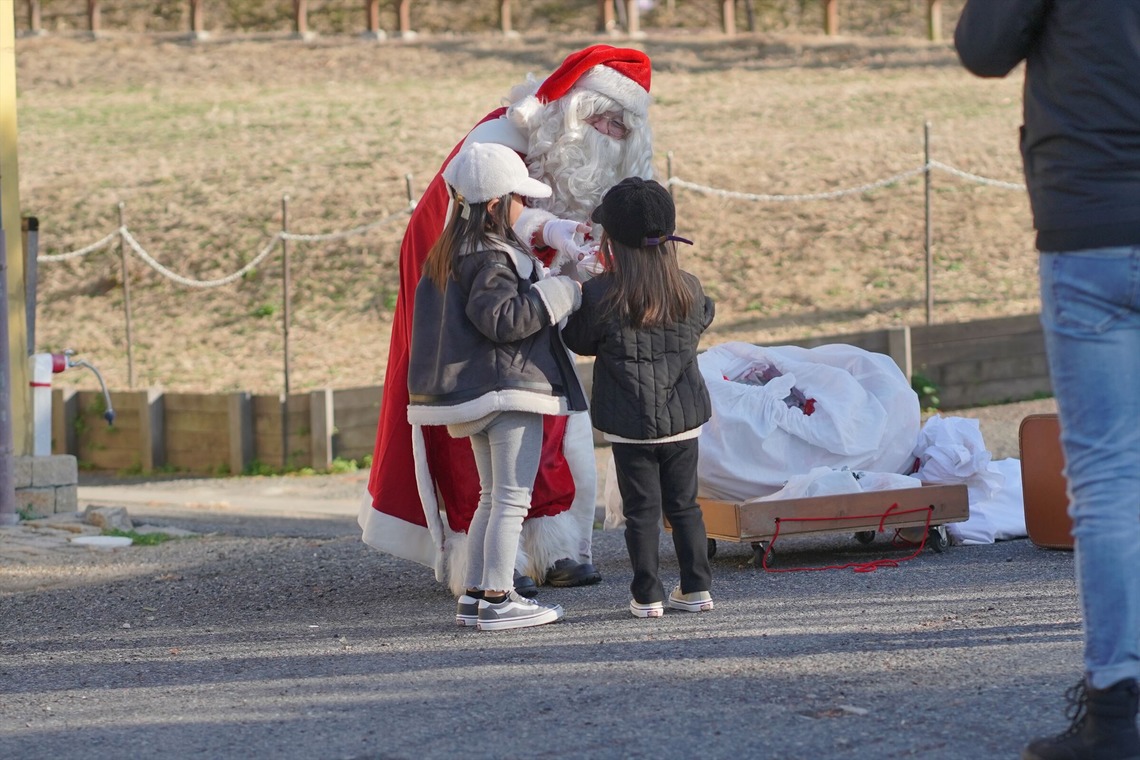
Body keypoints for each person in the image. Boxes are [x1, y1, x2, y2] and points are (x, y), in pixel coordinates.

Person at [360, 44, 656, 597]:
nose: (612, 135)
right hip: (469, 299)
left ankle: (550, 538)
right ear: (572, 112)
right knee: (477, 426)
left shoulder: (587, 166)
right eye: (603, 120)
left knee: (541, 417)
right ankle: (489, 565)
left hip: (532, 306)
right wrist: (553, 241)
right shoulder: (499, 139)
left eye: (622, 127)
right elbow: (490, 211)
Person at [955, 3, 1140, 759]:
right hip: (1087, 222)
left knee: (1107, 483)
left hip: (1089, 225)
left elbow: (982, 46)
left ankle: (1116, 714)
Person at [406, 141, 587, 630]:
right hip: (506, 387)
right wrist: (563, 290)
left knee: (492, 497)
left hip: (475, 394)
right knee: (511, 499)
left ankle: (478, 597)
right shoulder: (491, 255)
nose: (525, 209)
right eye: (520, 200)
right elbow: (504, 319)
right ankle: (501, 599)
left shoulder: (453, 251)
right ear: (495, 204)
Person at [561, 177, 716, 619]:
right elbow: (704, 316)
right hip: (683, 417)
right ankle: (696, 588)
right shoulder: (689, 286)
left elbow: (580, 340)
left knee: (642, 512)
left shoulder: (599, 294)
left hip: (628, 423)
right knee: (685, 505)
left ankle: (647, 595)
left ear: (611, 240)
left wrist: (582, 292)